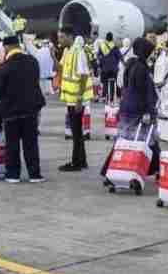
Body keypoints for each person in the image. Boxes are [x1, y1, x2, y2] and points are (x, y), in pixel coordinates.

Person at [0, 35, 46, 183]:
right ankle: (34, 174)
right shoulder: (33, 62)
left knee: (12, 144)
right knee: (31, 143)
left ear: (7, 47)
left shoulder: (4, 67)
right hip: (30, 110)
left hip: (11, 111)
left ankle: (13, 174)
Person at [101, 37, 158, 177]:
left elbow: (125, 86)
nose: (151, 55)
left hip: (127, 107)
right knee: (148, 139)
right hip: (138, 110)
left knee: (123, 141)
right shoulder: (142, 69)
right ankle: (157, 168)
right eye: (149, 52)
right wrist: (149, 111)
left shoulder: (130, 65)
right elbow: (145, 92)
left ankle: (110, 170)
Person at [58, 29, 94, 171]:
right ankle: (81, 161)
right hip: (71, 98)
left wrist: (79, 98)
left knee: (76, 131)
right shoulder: (68, 51)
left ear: (70, 37)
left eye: (62, 37)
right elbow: (59, 68)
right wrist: (52, 56)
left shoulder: (78, 52)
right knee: (76, 131)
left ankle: (76, 162)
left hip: (77, 99)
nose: (59, 40)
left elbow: (84, 76)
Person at [98, 32, 121, 101]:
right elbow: (119, 56)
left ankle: (104, 97)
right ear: (112, 38)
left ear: (106, 38)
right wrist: (116, 63)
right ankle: (111, 98)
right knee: (112, 83)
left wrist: (101, 64)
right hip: (113, 69)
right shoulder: (115, 46)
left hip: (104, 68)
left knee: (105, 83)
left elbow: (99, 56)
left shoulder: (102, 46)